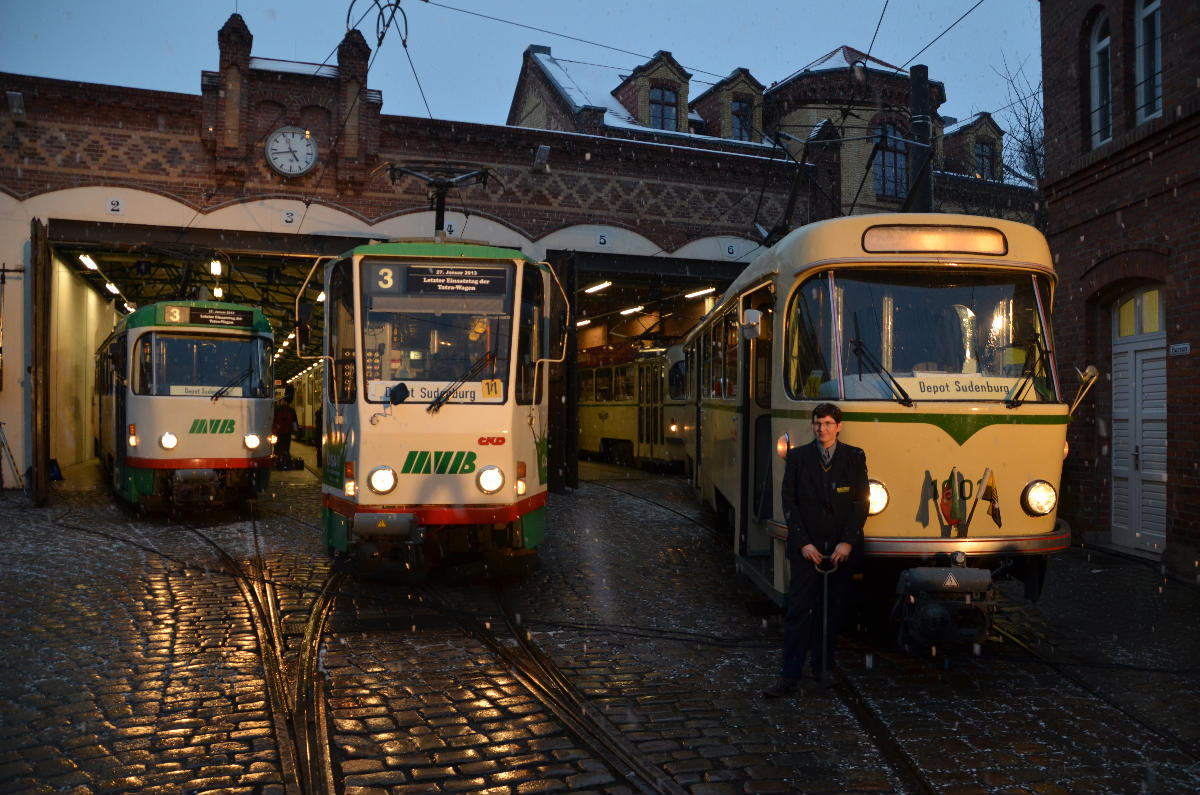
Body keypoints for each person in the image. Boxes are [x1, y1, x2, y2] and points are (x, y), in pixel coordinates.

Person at [763, 402, 869, 697]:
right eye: (817, 423)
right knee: (799, 612)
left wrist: (847, 542)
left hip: (839, 551)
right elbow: (790, 504)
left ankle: (823, 668)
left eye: (827, 424)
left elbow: (862, 502)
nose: (822, 429)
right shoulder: (798, 458)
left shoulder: (854, 457)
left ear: (838, 426)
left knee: (830, 612)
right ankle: (790, 674)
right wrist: (804, 543)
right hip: (806, 551)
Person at [272, 395, 298, 469]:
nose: (282, 402)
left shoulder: (276, 410)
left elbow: (273, 420)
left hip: (279, 433)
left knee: (278, 448)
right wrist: (295, 431)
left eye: (282, 401)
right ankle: (286, 462)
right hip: (286, 433)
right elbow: (294, 421)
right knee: (286, 448)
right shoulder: (291, 410)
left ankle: (278, 462)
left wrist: (273, 429)